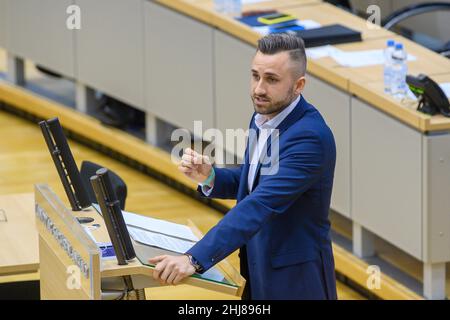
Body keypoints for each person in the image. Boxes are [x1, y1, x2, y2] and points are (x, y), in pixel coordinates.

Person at [149, 33, 337, 300]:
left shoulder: (309, 138)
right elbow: (256, 179)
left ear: (299, 85)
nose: (259, 88)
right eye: (255, 76)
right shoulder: (264, 115)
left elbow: (260, 202)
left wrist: (193, 259)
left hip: (295, 280)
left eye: (271, 79)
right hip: (258, 267)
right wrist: (212, 176)